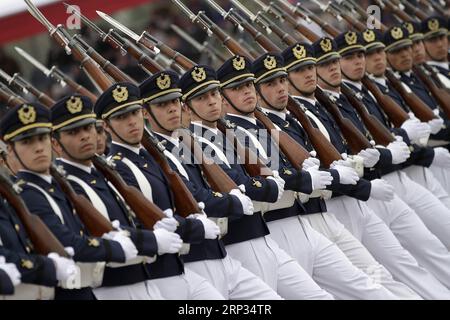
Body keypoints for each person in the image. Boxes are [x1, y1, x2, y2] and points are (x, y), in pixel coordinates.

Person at [140, 70, 283, 300]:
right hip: (232, 239)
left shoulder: (234, 132)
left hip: (251, 236)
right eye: (202, 97)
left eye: (214, 93)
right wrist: (236, 198)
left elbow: (272, 174)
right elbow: (219, 186)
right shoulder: (189, 141)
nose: (172, 109)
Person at [94, 82, 225, 300]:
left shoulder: (150, 156)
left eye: (134, 113)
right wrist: (193, 225)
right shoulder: (118, 167)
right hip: (160, 272)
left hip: (181, 265)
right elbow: (147, 218)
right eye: (121, 117)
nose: (131, 122)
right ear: (106, 126)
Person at [50, 94, 184, 300]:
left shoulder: (104, 173)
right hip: (114, 287)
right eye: (73, 132)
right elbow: (91, 236)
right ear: (56, 144)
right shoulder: (71, 184)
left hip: (148, 278)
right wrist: (153, 239)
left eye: (87, 128)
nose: (85, 136)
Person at [0, 103, 137, 300]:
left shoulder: (57, 187)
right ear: (11, 151)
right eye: (27, 142)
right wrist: (113, 247)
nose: (38, 148)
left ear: (51, 141)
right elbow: (66, 241)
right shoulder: (27, 194)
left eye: (42, 138)